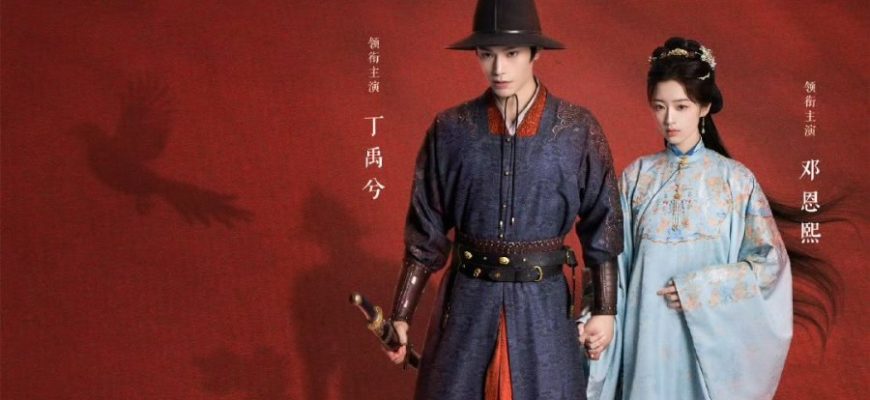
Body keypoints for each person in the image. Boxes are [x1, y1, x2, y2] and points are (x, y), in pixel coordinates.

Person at [382, 0, 623, 399]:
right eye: (486, 55)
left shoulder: (577, 129)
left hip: (544, 308)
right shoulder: (451, 129)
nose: (498, 68)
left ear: (535, 52)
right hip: (467, 305)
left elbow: (605, 221)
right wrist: (401, 315)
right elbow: (426, 230)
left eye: (511, 54)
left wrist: (605, 309)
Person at [585, 37, 793, 400]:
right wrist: (599, 315)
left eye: (681, 106)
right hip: (646, 340)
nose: (669, 119)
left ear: (704, 106)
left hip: (709, 346)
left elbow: (769, 267)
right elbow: (612, 261)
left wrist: (701, 289)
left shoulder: (736, 181)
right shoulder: (636, 178)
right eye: (659, 106)